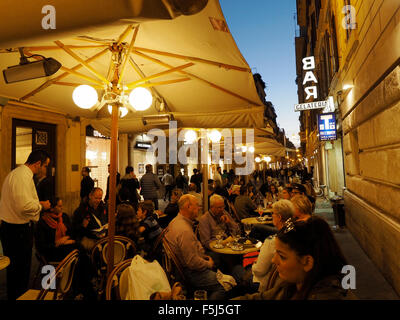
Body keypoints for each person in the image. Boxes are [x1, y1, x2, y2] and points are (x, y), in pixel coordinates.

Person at [235, 216, 352, 300]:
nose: (274, 260)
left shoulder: (326, 295)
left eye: (282, 256)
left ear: (307, 262)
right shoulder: (293, 284)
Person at [0, 150, 51, 300]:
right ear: (38, 164)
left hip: (13, 229)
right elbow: (24, 206)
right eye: (45, 166)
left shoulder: (18, 174)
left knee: (16, 272)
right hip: (17, 231)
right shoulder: (22, 176)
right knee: (20, 272)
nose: (46, 169)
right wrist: (41, 205)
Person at [164, 194, 227, 300]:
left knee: (218, 259)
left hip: (185, 266)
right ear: (188, 207)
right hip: (190, 273)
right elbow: (192, 262)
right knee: (225, 285)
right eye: (197, 205)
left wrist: (203, 255)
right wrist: (208, 264)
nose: (199, 208)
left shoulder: (176, 221)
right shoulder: (184, 230)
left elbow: (195, 248)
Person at [251, 200, 296, 292]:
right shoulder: (293, 234)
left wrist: (253, 265)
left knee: (237, 270)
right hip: (285, 284)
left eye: (273, 213)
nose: (271, 216)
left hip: (267, 286)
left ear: (279, 217)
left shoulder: (272, 241)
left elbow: (259, 271)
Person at [35, 197, 76, 262]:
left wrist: (66, 239)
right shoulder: (42, 223)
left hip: (66, 244)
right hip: (52, 250)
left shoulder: (64, 217)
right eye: (59, 206)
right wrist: (57, 243)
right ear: (52, 209)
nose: (62, 208)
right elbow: (41, 247)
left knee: (79, 249)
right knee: (74, 254)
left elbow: (72, 232)